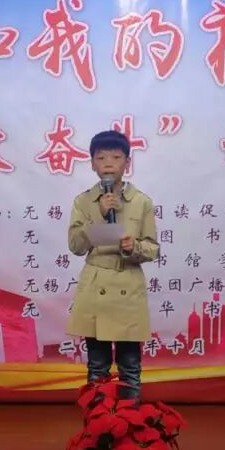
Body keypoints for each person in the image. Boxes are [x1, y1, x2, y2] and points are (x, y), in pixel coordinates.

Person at [66, 130, 159, 398]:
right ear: (92, 164)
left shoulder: (141, 202)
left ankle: (130, 419)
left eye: (116, 157)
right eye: (101, 157)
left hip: (128, 284)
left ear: (127, 163)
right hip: (96, 287)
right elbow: (75, 246)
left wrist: (134, 248)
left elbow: (153, 248)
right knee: (97, 365)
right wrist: (99, 214)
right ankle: (99, 418)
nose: (108, 163)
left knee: (130, 365)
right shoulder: (83, 201)